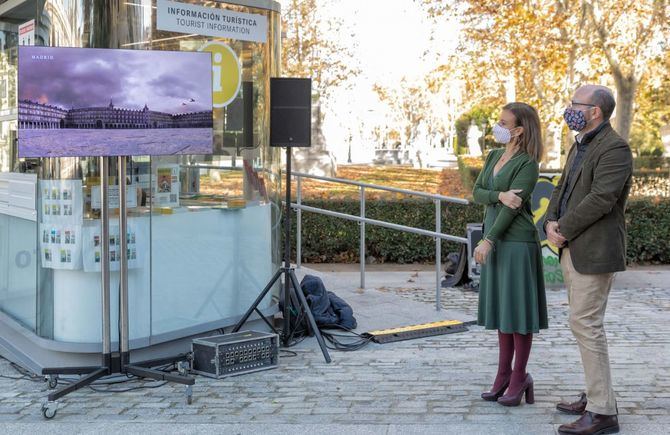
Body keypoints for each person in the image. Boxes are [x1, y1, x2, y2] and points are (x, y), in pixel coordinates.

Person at [545, 85, 632, 435]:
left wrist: (563, 228)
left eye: (575, 104)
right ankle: (598, 396)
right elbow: (561, 187)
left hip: (594, 249)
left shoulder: (615, 148)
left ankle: (602, 412)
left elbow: (601, 199)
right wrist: (550, 222)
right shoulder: (580, 143)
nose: (569, 109)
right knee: (583, 325)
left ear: (595, 110)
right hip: (571, 246)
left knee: (586, 325)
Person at [472, 102, 548, 407]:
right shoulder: (493, 156)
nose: (498, 126)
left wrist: (488, 240)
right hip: (496, 240)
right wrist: (497, 194)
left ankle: (519, 377)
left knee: (518, 313)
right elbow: (477, 192)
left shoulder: (528, 164)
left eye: (505, 123)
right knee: (504, 311)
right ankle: (502, 375)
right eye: (498, 121)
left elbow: (512, 208)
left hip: (516, 243)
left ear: (519, 130)